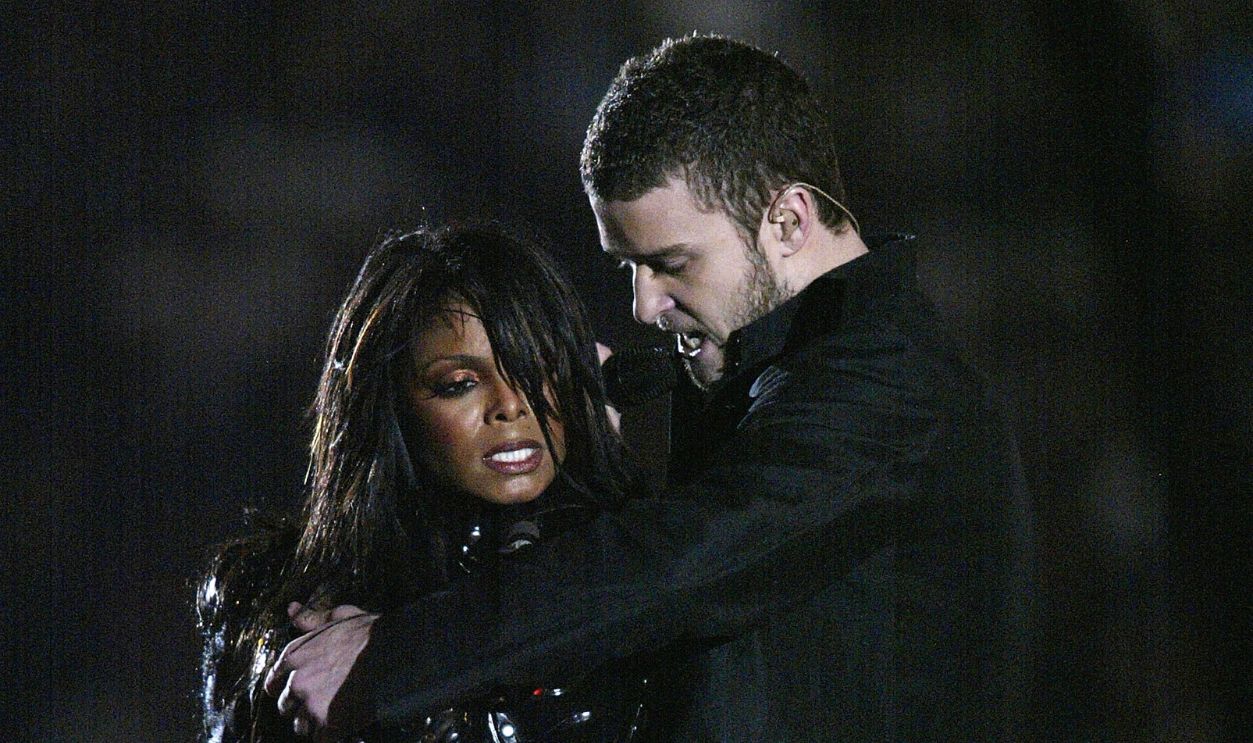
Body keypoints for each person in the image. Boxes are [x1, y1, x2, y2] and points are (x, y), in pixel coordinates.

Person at [267, 34, 1034, 741]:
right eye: (628, 266)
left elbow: (679, 562)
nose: (643, 304)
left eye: (671, 263)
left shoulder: (889, 390)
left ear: (790, 222)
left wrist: (393, 655)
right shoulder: (773, 374)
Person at [197, 223, 653, 742]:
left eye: (537, 367)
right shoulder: (280, 595)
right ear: (389, 405)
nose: (511, 406)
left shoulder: (644, 560)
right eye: (459, 384)